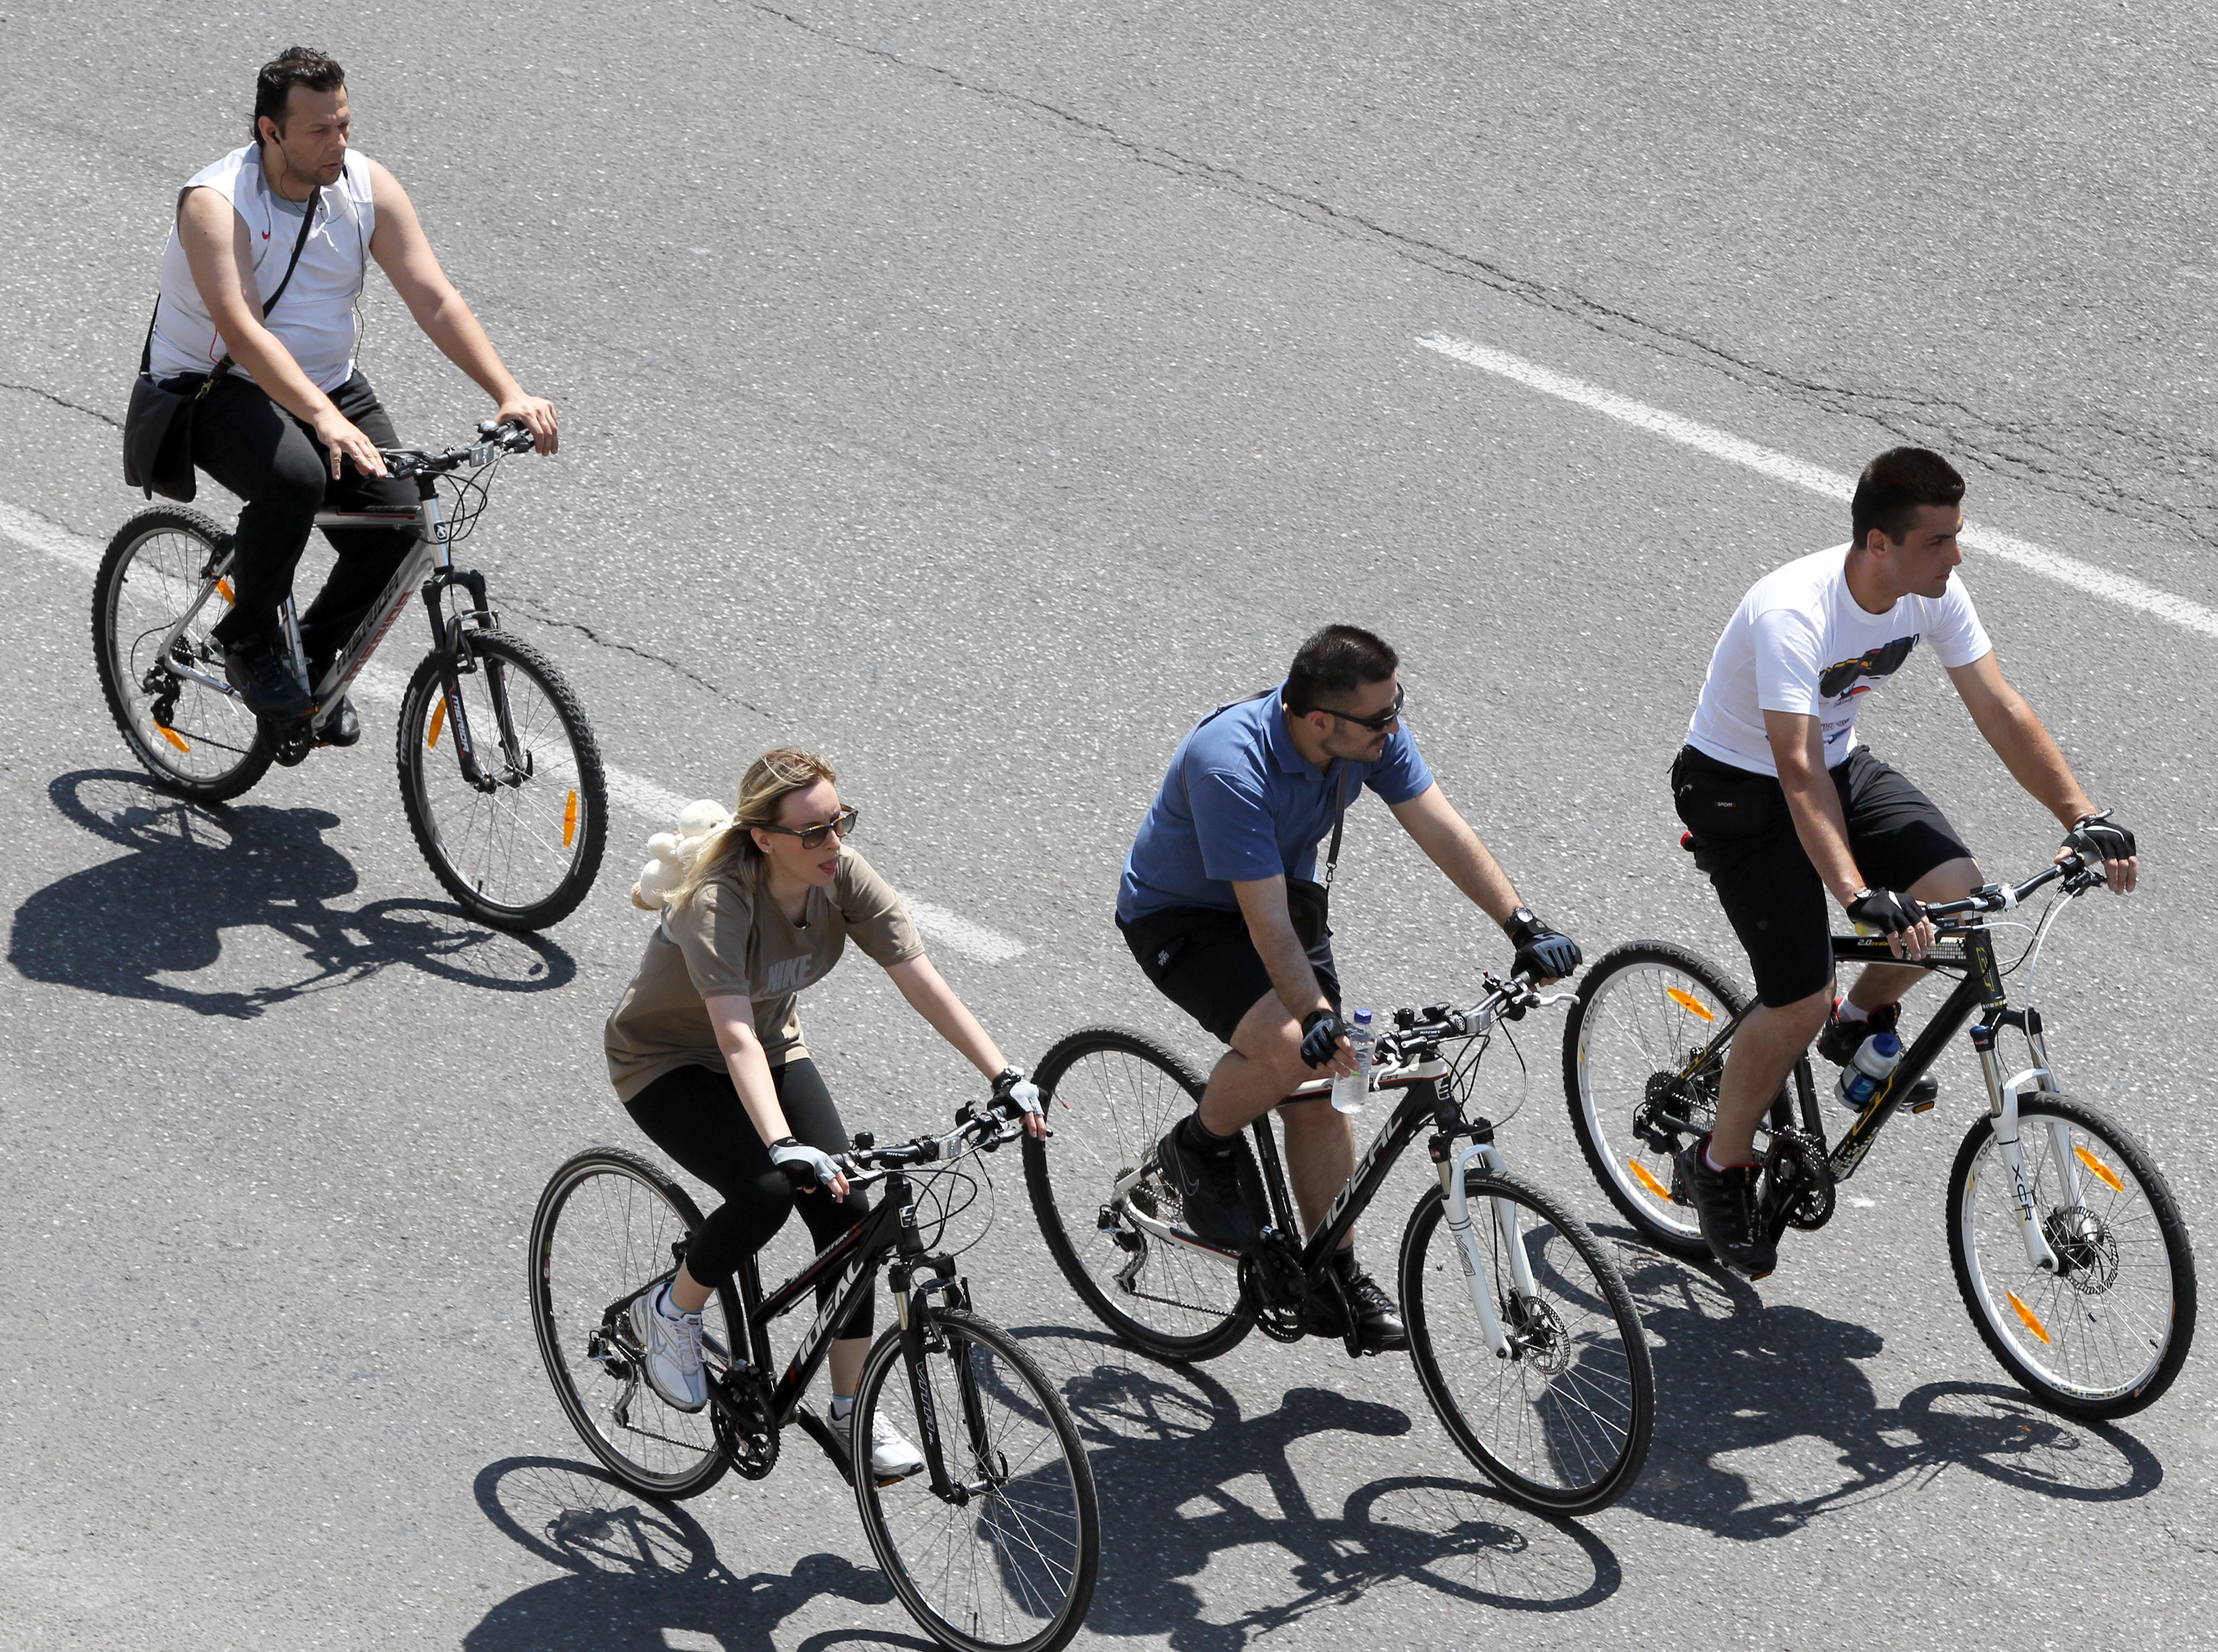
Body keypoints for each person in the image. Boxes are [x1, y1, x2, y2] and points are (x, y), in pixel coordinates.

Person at [1669, 447, 2139, 1281]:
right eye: (1941, 541)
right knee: (1796, 997)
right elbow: (1795, 768)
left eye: (1959, 537)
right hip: (1738, 788)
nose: (1957, 558)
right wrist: (1854, 895)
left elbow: (1998, 707)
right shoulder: (1794, 613)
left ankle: (1858, 1023)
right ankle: (1718, 1162)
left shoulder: (1932, 594)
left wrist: (2082, 814)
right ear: (1879, 544)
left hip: (1835, 763)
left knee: (1955, 898)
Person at [1117, 626, 1582, 1352]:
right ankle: (1195, 1149)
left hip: (1283, 895)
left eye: (1398, 707)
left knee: (1338, 1077)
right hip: (1186, 918)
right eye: (1380, 718)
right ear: (1319, 721)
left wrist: (1520, 924)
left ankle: (1334, 1271)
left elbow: (1442, 828)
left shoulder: (1367, 734)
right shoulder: (1230, 765)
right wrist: (1311, 1016)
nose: (1394, 727)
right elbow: (1263, 920)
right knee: (1294, 1049)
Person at [604, 748, 1044, 1478]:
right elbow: (732, 1034)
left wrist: (1004, 1073)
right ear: (764, 838)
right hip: (666, 1060)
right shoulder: (720, 901)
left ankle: (852, 1415)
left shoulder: (840, 877)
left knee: (850, 1217)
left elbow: (919, 978)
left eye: (838, 823)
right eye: (813, 832)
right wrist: (780, 1142)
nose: (833, 843)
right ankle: (672, 1310)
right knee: (767, 1192)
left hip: (772, 1046)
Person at [144, 45, 558, 742]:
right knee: (295, 479)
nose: (339, 143)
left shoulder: (365, 187)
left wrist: (508, 390)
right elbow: (242, 332)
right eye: (319, 130)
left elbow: (434, 297)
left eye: (344, 125)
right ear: (269, 131)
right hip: (212, 388)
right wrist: (323, 421)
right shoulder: (216, 204)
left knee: (401, 525)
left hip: (325, 384)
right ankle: (248, 640)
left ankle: (304, 661)